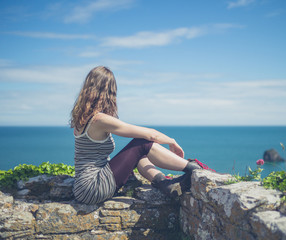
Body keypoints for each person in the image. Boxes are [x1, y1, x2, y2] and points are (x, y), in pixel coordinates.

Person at [70, 66, 202, 205]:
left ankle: (164, 183)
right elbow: (150, 136)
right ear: (108, 91)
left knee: (139, 155)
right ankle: (192, 168)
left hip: (83, 188)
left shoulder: (83, 119)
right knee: (141, 143)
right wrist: (172, 141)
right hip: (93, 187)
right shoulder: (99, 119)